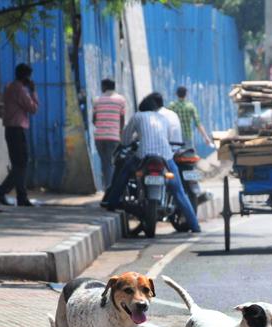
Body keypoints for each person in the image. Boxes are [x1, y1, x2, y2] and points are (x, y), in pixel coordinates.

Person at [105, 92, 201, 233]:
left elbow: (125, 138)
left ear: (141, 107)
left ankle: (112, 202)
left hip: (144, 154)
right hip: (165, 155)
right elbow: (167, 137)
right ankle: (195, 226)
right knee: (179, 191)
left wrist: (128, 143)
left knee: (124, 172)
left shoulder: (137, 116)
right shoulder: (162, 118)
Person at [0, 63, 39, 206]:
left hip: (12, 129)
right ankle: (3, 192)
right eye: (29, 77)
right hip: (17, 129)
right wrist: (33, 91)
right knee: (21, 164)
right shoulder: (20, 89)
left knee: (18, 164)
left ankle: (20, 196)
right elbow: (33, 108)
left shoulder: (10, 87)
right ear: (26, 77)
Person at [91, 78, 126, 189]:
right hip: (114, 137)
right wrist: (119, 132)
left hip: (99, 137)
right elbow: (122, 119)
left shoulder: (97, 100)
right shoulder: (121, 100)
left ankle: (107, 187)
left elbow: (94, 120)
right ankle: (111, 188)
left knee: (105, 163)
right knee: (112, 163)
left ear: (104, 87)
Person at [168, 86, 213, 150]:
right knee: (189, 157)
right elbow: (198, 123)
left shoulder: (171, 106)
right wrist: (206, 137)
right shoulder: (190, 106)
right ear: (186, 94)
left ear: (176, 94)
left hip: (175, 137)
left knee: (176, 157)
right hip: (187, 136)